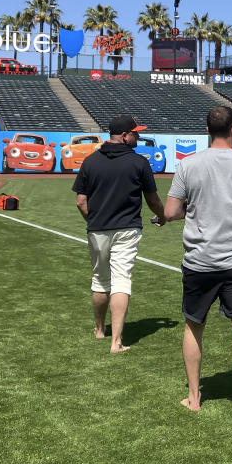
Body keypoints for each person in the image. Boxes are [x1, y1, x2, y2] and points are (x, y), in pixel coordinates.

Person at [163, 106, 232, 431]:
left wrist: (189, 209)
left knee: (194, 326)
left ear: (207, 130)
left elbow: (171, 211)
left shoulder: (188, 164)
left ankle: (194, 398)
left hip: (199, 262)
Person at [72, 114, 166, 353]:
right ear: (124, 136)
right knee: (122, 281)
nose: (138, 136)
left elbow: (81, 202)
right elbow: (152, 200)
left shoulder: (90, 161)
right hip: (127, 228)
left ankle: (100, 329)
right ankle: (117, 342)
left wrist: (92, 219)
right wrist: (163, 216)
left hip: (98, 229)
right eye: (135, 132)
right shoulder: (139, 163)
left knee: (100, 281)